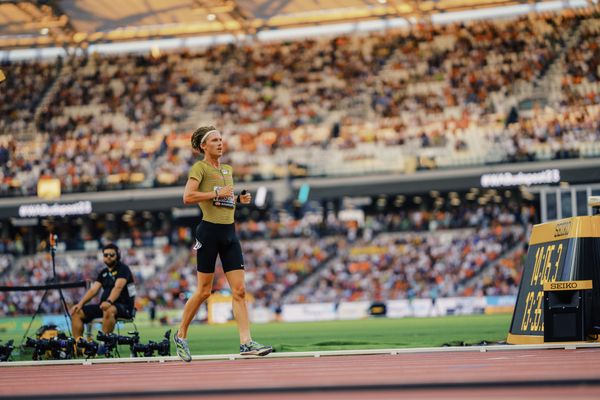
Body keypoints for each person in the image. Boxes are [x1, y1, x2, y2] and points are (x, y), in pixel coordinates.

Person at [173, 125, 272, 361]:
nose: (220, 143)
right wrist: (217, 193)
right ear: (203, 146)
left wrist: (238, 198)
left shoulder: (227, 169)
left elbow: (225, 200)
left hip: (230, 233)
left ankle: (246, 343)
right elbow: (188, 197)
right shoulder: (200, 168)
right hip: (208, 232)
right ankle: (181, 335)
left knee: (240, 290)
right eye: (215, 140)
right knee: (204, 291)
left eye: (221, 139)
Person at [70, 244, 136, 339]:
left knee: (108, 309)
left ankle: (104, 344)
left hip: (124, 307)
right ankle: (79, 345)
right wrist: (79, 304)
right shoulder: (103, 272)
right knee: (77, 312)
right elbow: (93, 290)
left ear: (117, 255)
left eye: (111, 255)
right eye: (106, 255)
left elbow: (118, 287)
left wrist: (109, 302)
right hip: (104, 306)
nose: (108, 257)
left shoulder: (123, 269)